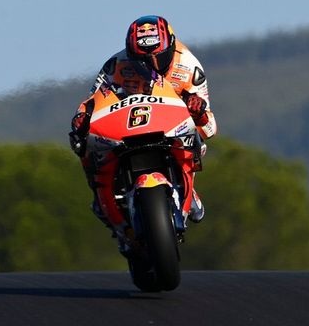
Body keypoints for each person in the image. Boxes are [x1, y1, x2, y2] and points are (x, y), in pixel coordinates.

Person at [69, 15, 217, 247]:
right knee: (83, 142)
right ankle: (100, 194)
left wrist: (198, 110)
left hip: (169, 125)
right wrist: (82, 118)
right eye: (143, 59)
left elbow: (210, 127)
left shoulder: (190, 67)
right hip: (126, 125)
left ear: (171, 46)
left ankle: (190, 188)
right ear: (131, 53)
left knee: (199, 139)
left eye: (159, 56)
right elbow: (93, 99)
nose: (153, 64)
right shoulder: (116, 65)